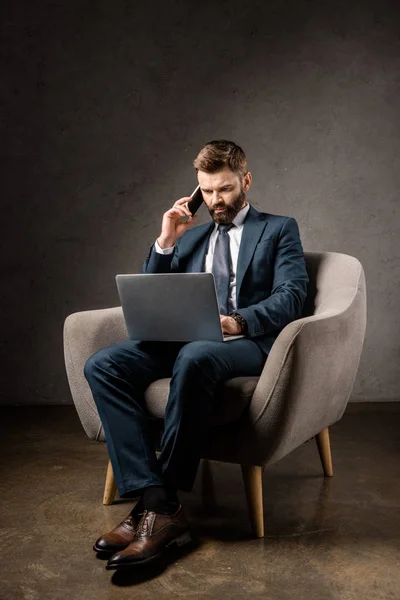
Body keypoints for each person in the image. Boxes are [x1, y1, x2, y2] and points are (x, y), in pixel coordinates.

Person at [84, 139, 309, 570]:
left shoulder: (279, 229)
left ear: (245, 180)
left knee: (195, 358)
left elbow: (293, 295)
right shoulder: (194, 234)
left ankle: (157, 509)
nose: (214, 201)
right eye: (205, 191)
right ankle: (158, 502)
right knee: (103, 365)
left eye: (223, 189)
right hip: (182, 338)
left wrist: (238, 321)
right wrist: (167, 241)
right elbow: (154, 291)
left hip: (242, 343)